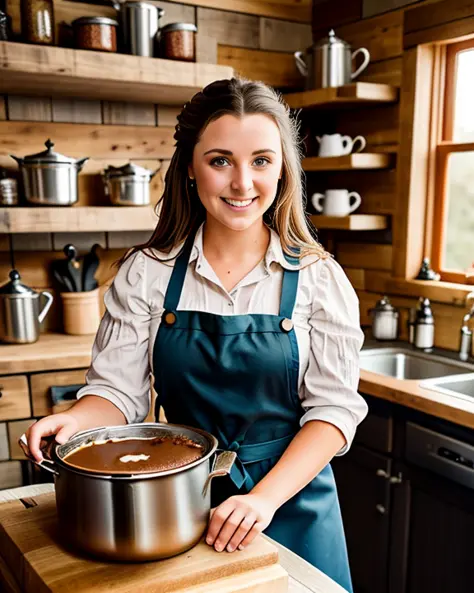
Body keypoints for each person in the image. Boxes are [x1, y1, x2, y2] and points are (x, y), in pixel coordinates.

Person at [25, 77, 368, 592]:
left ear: (283, 170)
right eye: (220, 160)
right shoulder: (148, 272)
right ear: (189, 166)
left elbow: (334, 413)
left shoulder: (320, 279)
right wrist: (75, 419)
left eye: (261, 161)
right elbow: (117, 393)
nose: (242, 184)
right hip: (181, 505)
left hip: (291, 504)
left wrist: (262, 500)